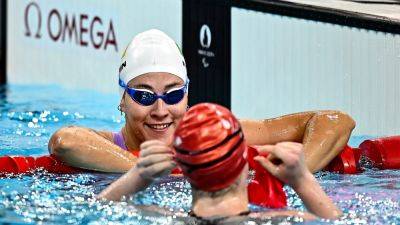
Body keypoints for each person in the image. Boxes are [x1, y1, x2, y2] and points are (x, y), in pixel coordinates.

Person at [48, 29, 355, 174]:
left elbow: (335, 120)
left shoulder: (214, 132)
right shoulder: (110, 144)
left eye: (173, 94)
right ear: (123, 100)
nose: (160, 110)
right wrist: (151, 169)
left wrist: (302, 173)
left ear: (187, 95)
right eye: (143, 96)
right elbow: (65, 141)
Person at [98, 103, 342, 221]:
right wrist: (303, 180)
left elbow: (99, 208)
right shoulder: (286, 220)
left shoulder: (156, 217)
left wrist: (138, 175)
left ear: (181, 167)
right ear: (246, 161)